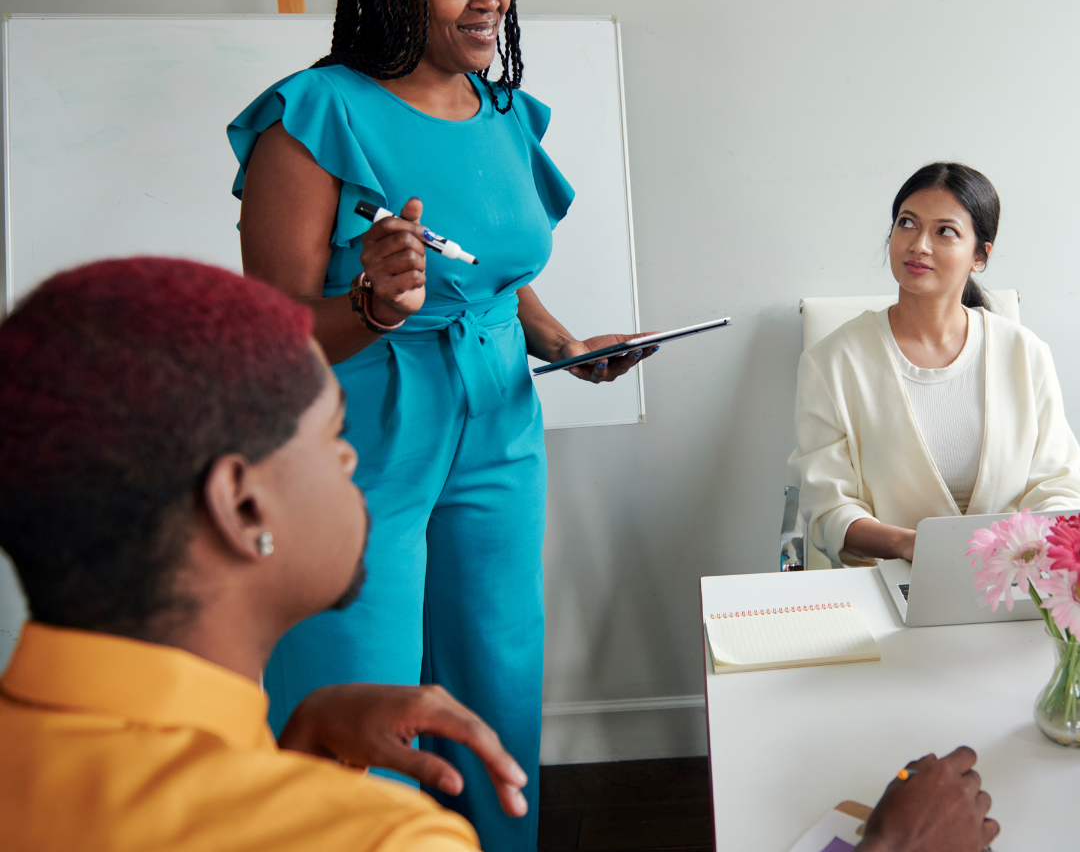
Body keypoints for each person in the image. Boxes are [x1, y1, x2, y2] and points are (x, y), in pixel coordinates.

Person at [0, 257, 999, 852]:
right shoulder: (383, 837)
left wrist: (291, 751)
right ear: (241, 500)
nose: (353, 455)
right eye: (331, 430)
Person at [227, 0, 650, 848]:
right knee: (357, 691)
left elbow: (498, 273)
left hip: (501, 419)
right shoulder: (313, 116)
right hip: (359, 433)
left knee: (493, 678)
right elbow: (272, 329)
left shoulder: (502, 112)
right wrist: (373, 303)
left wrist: (563, 344)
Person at [790, 161, 1080, 567]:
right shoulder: (831, 363)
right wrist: (913, 547)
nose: (919, 244)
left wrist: (1019, 555)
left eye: (945, 231)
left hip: (1011, 578)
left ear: (980, 256)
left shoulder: (1024, 353)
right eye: (907, 223)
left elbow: (1059, 485)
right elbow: (828, 509)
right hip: (890, 586)